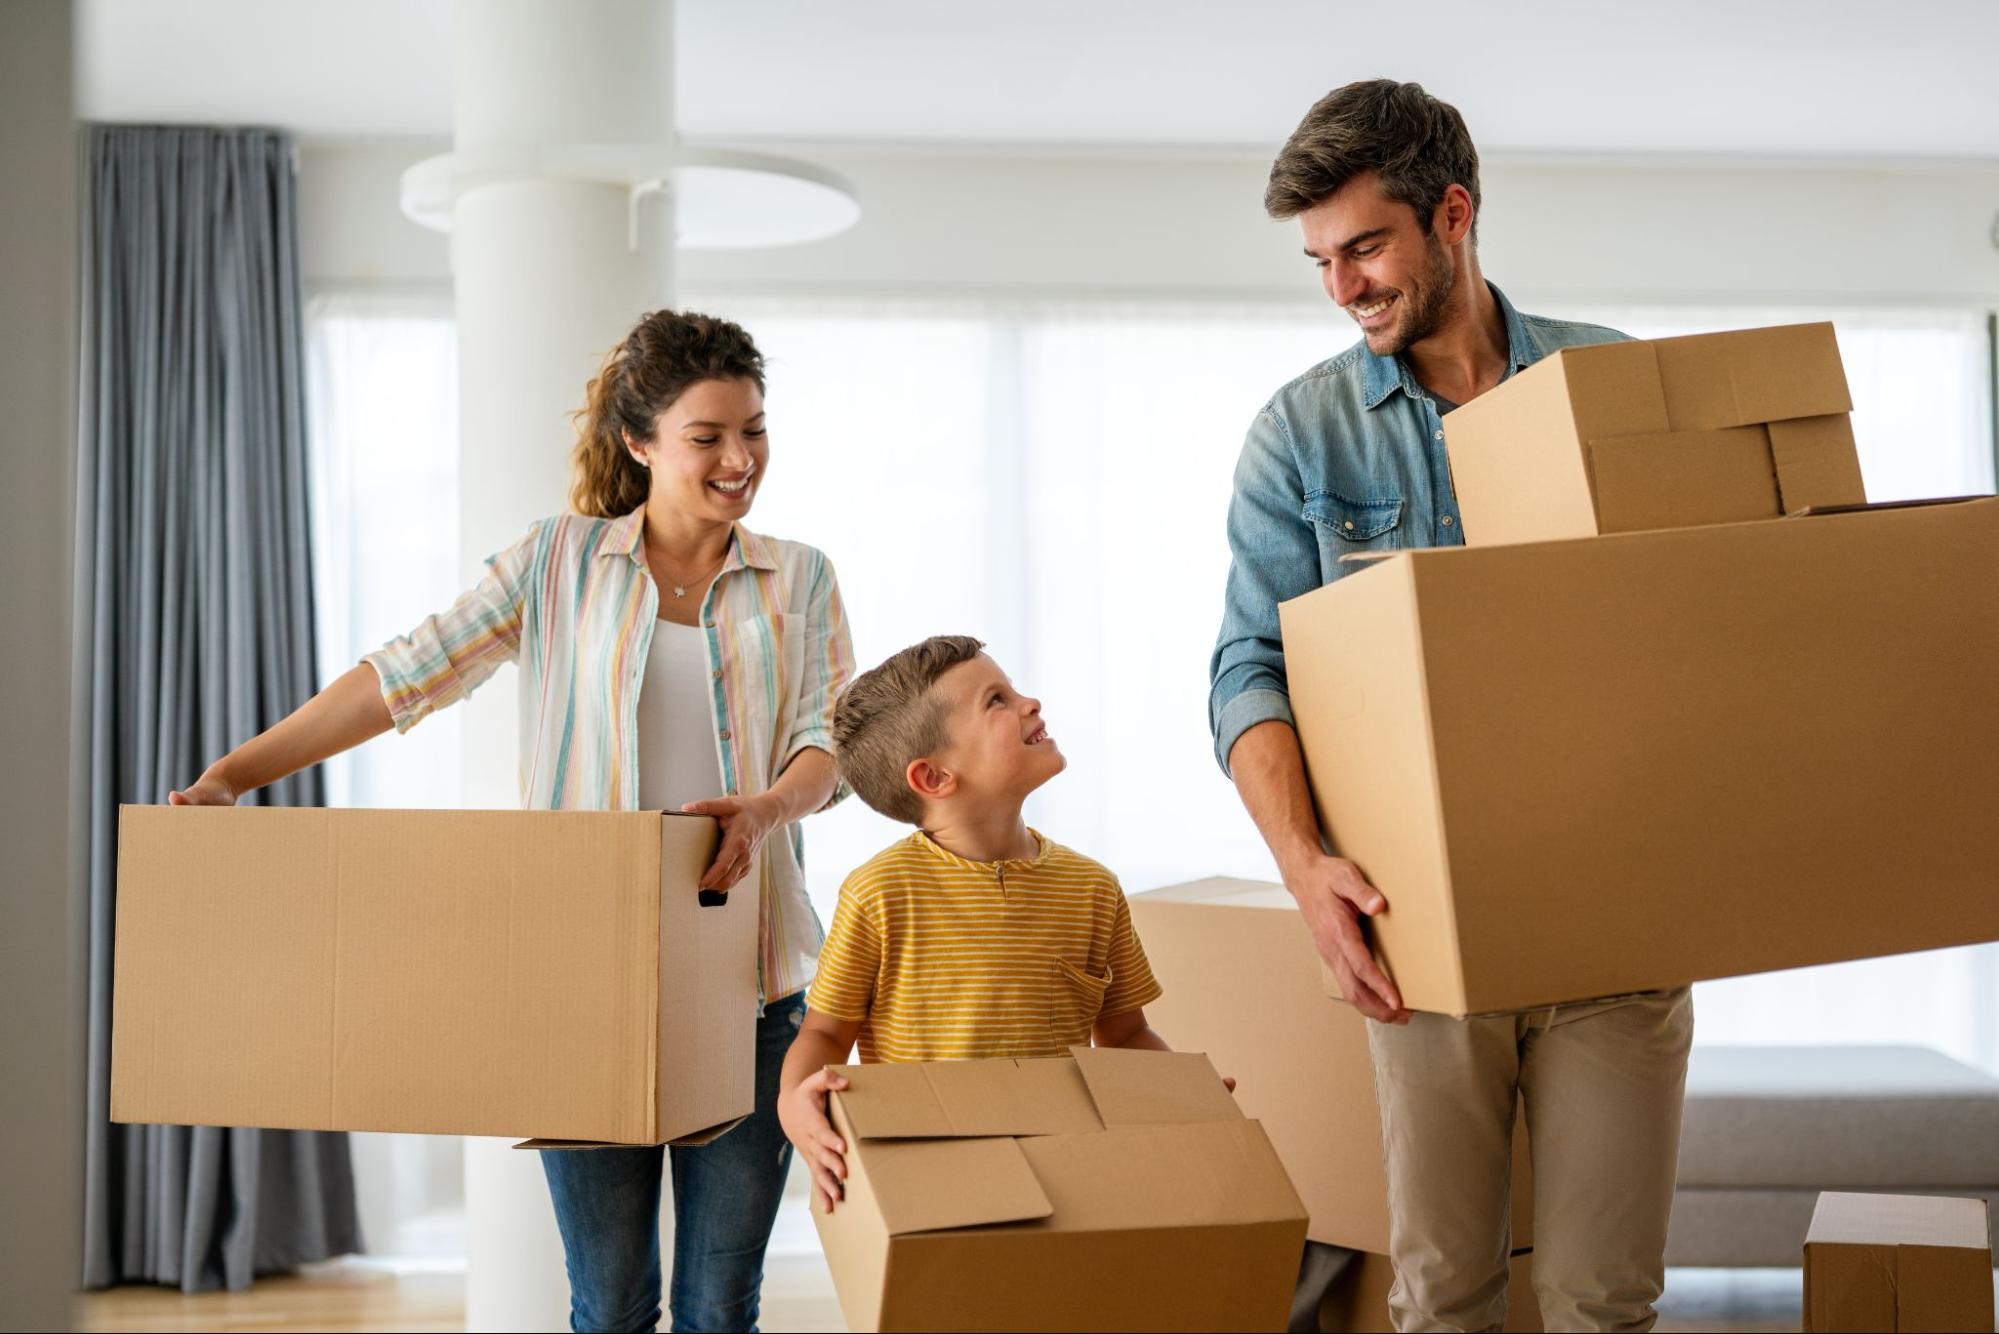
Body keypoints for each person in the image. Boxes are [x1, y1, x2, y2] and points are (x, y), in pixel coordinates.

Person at [170, 310, 856, 1334]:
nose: (738, 459)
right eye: (706, 436)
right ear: (640, 442)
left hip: (749, 984)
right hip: (581, 979)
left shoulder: (800, 574)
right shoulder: (557, 561)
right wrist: (236, 773)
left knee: (720, 1308)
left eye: (753, 430)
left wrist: (765, 808)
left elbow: (829, 740)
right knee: (609, 1305)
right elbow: (407, 674)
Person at [1209, 80, 1693, 1332]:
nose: (1342, 286)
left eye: (1365, 248)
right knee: (1441, 1296)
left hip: (1615, 914)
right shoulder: (1301, 435)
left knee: (1602, 1299)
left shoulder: (1608, 383)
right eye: (1320, 261)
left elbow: (1702, 630)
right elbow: (1247, 669)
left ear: (1453, 215)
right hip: (1417, 923)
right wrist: (1304, 866)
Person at [773, 635, 1212, 1212]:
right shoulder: (879, 893)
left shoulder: (1093, 889)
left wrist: (1187, 1098)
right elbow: (827, 1034)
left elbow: (1126, 1035)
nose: (1030, 702)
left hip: (1067, 1169)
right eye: (997, 700)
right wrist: (793, 1104)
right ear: (934, 777)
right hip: (930, 1174)